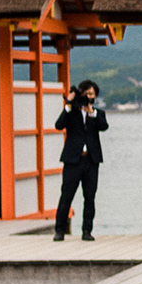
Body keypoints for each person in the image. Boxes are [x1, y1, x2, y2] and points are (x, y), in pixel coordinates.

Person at [53, 80, 109, 241]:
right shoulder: (71, 112)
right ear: (81, 94)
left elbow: (104, 126)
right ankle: (59, 230)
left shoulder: (97, 113)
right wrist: (69, 105)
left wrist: (91, 112)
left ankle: (87, 231)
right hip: (73, 160)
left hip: (91, 161)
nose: (89, 97)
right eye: (86, 94)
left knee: (90, 197)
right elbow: (59, 125)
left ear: (95, 96)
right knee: (66, 195)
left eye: (92, 94)